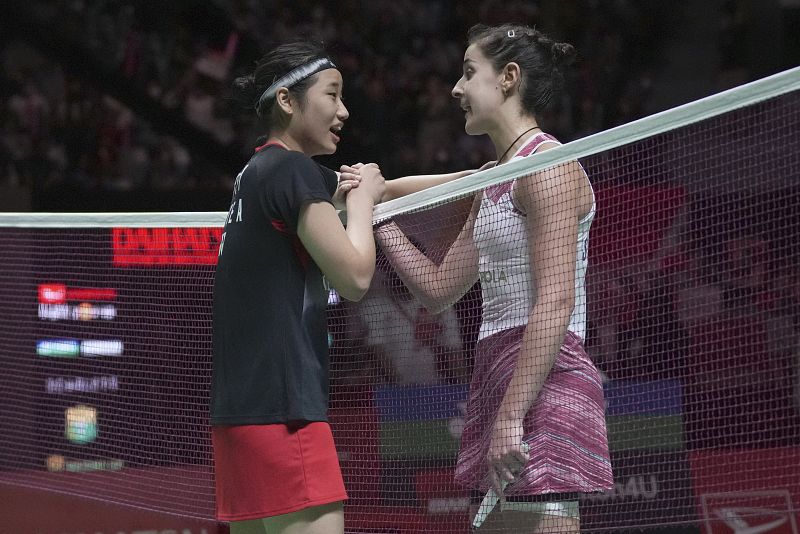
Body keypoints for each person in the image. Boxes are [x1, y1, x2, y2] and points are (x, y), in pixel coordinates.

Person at [372, 24, 613, 532]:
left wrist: (511, 414)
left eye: (468, 73)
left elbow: (555, 302)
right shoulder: (495, 179)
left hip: (543, 378)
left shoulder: (548, 167)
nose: (456, 89)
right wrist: (378, 218)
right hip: (496, 374)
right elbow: (438, 290)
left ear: (508, 77)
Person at [209, 41, 385, 534]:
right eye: (332, 94)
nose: (343, 111)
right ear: (287, 101)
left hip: (239, 416)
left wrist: (475, 179)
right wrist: (363, 206)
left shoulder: (257, 173)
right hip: (284, 413)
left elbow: (381, 190)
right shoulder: (292, 170)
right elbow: (354, 278)